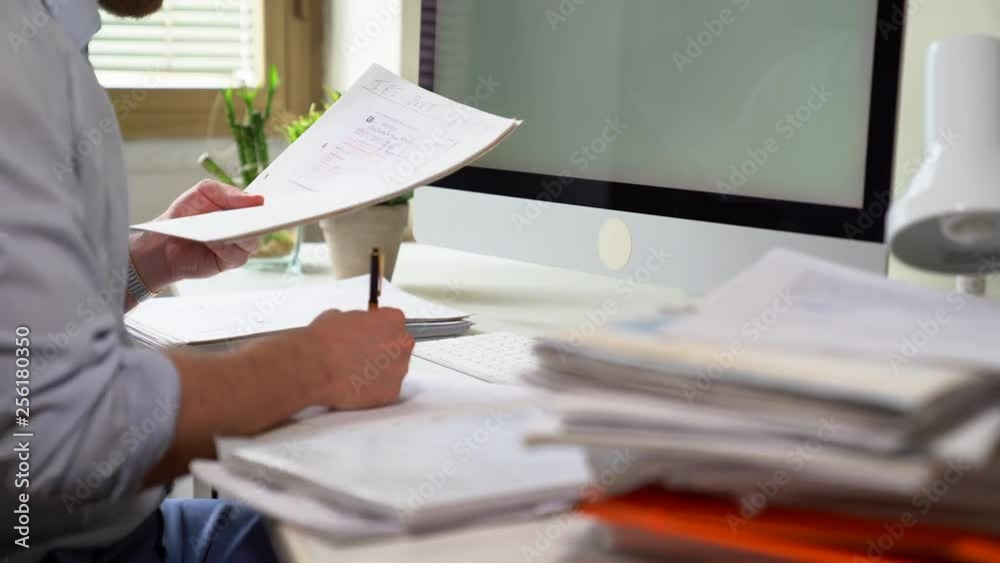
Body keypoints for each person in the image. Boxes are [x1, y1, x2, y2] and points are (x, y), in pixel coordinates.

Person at [0, 1, 414, 561]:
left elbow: (24, 350)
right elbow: (50, 432)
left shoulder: (54, 37)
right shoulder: (17, 55)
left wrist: (149, 261)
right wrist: (320, 363)